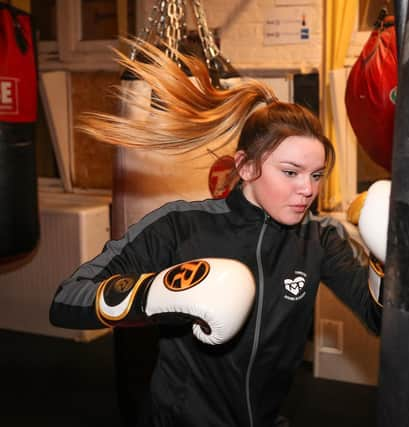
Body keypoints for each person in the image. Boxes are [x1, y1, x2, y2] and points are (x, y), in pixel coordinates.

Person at [49, 40, 385, 427]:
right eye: (290, 173)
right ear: (245, 166)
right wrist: (157, 292)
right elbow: (67, 300)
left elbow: (378, 320)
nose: (307, 190)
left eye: (315, 175)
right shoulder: (180, 224)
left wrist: (382, 261)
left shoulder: (320, 239)